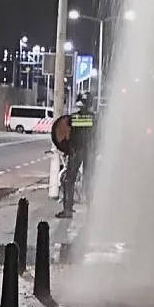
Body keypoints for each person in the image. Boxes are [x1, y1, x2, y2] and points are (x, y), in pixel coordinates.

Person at [57, 91, 96, 219]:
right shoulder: (95, 118)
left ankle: (68, 210)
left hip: (76, 151)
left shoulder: (74, 118)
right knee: (89, 180)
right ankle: (92, 210)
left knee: (69, 180)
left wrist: (66, 150)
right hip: (90, 152)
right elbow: (98, 136)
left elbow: (67, 136)